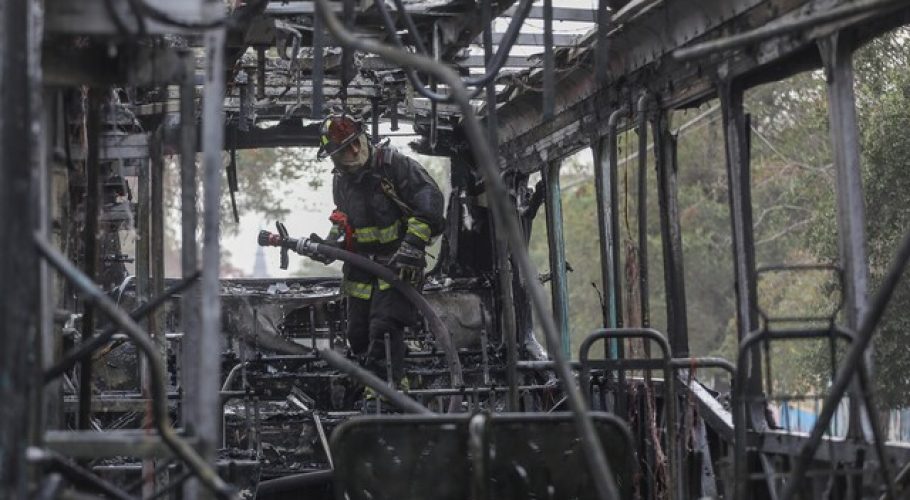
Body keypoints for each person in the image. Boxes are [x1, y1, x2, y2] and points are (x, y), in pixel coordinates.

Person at [302, 114, 444, 404]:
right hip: (361, 269)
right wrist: (330, 244)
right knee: (357, 333)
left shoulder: (395, 167)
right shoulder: (341, 182)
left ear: (364, 137)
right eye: (344, 149)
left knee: (385, 326)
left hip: (398, 265)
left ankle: (384, 392)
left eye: (356, 143)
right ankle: (381, 381)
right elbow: (344, 219)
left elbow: (430, 202)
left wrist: (412, 245)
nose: (354, 152)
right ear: (332, 156)